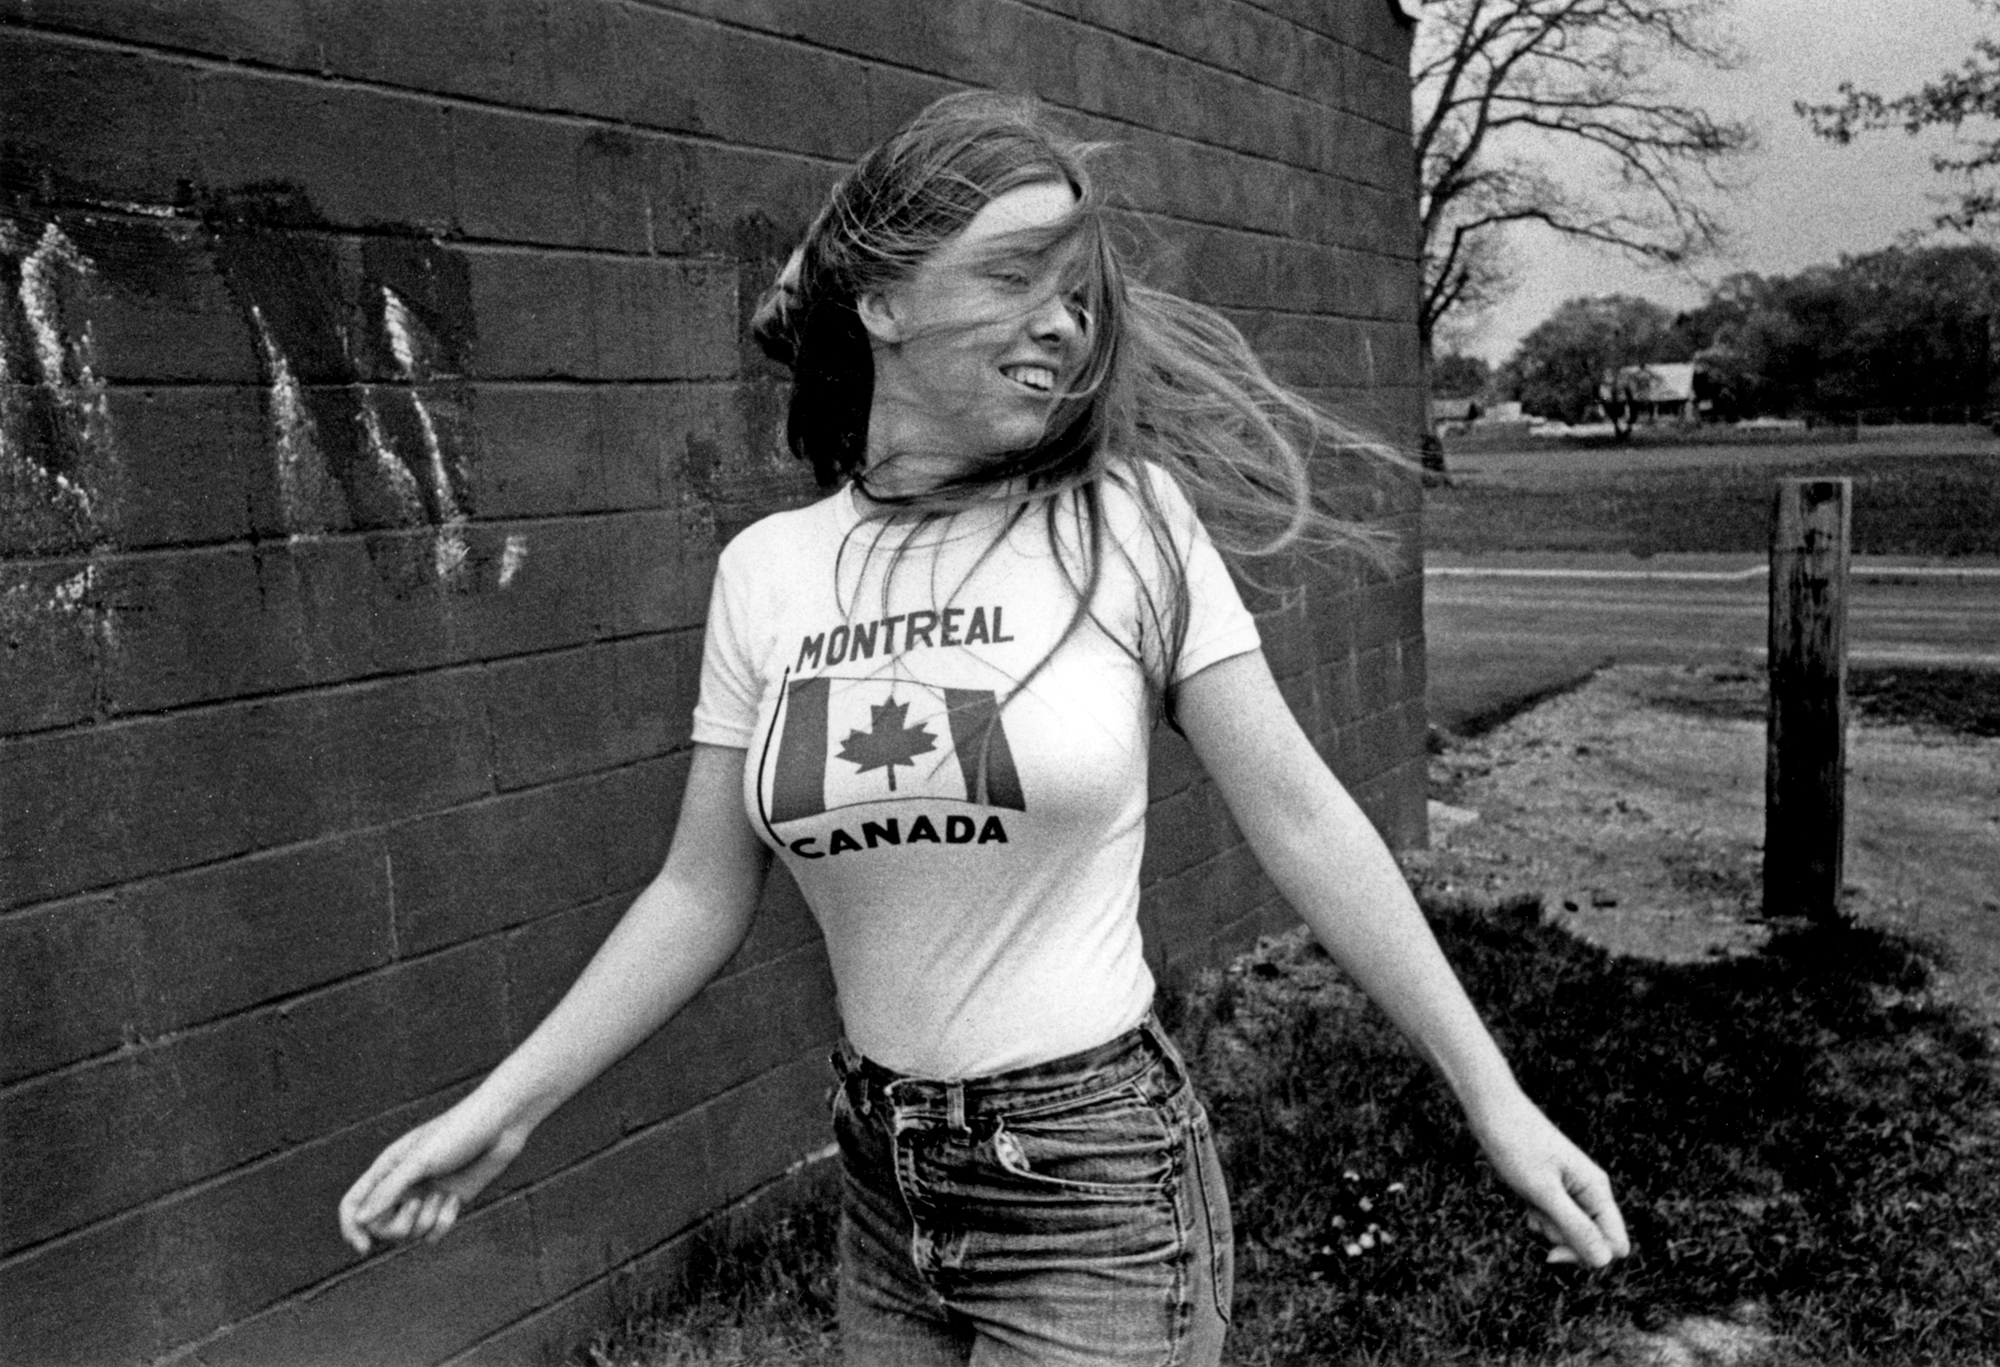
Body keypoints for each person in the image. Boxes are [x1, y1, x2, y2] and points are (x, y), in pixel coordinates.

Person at [339, 91, 1629, 1365]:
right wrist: (506, 1110)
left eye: (1078, 294)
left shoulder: (1125, 525)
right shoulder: (768, 572)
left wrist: (1495, 1099)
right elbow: (696, 890)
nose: (1062, 326)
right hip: (885, 1195)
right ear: (882, 302)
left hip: (1095, 1186)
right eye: (1017, 277)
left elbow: (1303, 817)